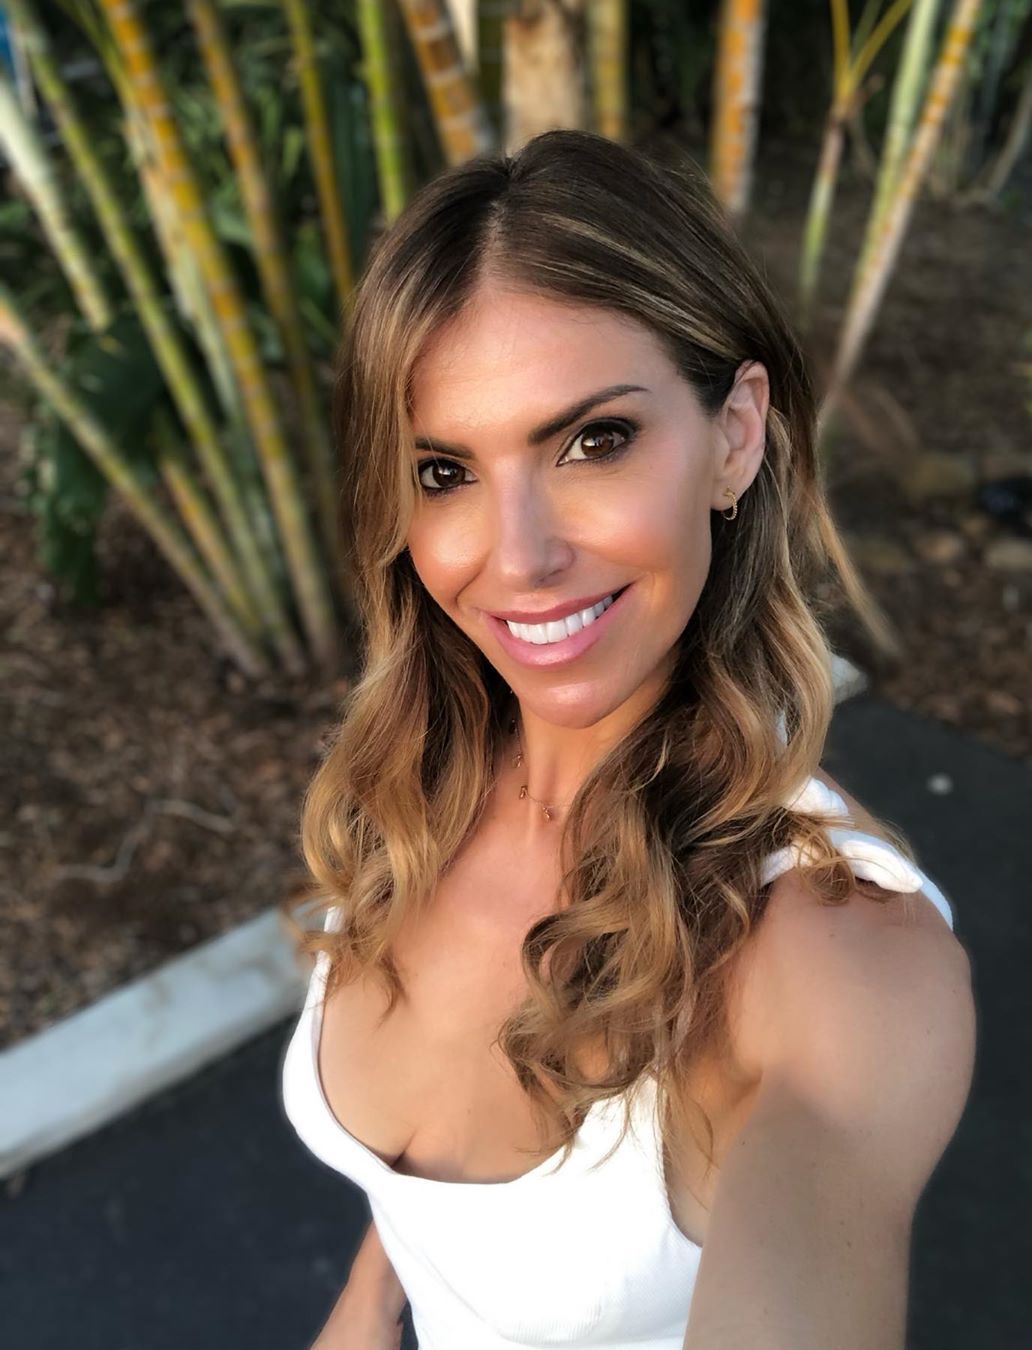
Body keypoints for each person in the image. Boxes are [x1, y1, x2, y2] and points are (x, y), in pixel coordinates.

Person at [280, 129, 975, 1350]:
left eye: (594, 441)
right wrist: (366, 1302)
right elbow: (426, 1187)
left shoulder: (837, 957)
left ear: (735, 435)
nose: (520, 556)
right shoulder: (420, 791)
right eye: (445, 471)